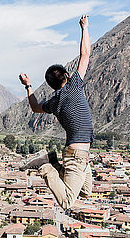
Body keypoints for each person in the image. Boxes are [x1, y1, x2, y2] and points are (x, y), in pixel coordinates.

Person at [18, 14, 94, 210]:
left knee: (86, 192)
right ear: (68, 76)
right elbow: (85, 54)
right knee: (68, 201)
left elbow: (35, 107)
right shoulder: (75, 85)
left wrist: (28, 86)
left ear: (51, 85)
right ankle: (44, 166)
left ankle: (52, 161)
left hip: (80, 155)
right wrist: (84, 28)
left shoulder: (54, 101)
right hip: (77, 155)